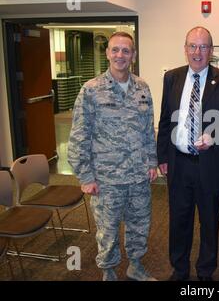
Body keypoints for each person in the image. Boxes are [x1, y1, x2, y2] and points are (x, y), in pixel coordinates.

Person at [68, 32, 158, 281]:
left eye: (126, 51)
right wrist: (85, 176)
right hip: (106, 179)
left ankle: (135, 265)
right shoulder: (91, 90)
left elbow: (148, 129)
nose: (120, 55)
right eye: (115, 50)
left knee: (139, 226)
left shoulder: (143, 88)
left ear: (133, 55)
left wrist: (152, 161)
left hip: (138, 175)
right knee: (107, 231)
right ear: (107, 53)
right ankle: (108, 271)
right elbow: (78, 137)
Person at [157, 26, 219, 281]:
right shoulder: (171, 78)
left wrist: (214, 136)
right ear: (185, 49)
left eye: (203, 46)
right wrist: (162, 157)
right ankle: (180, 269)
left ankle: (206, 271)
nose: (198, 52)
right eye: (193, 46)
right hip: (179, 164)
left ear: (211, 51)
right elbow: (165, 120)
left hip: (210, 165)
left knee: (209, 223)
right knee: (178, 221)